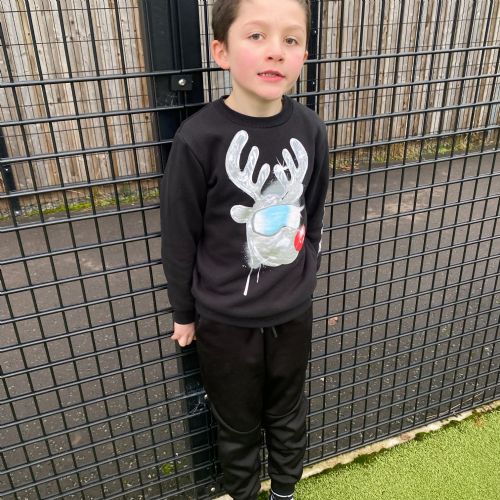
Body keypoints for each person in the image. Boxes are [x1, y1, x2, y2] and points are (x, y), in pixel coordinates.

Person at [160, 0, 329, 498]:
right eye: (256, 36)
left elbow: (313, 210)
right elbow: (179, 236)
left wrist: (305, 272)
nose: (275, 51)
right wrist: (184, 312)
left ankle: (285, 492)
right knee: (236, 423)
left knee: (287, 412)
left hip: (292, 314)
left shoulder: (311, 130)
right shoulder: (198, 138)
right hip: (224, 323)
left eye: (291, 39)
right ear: (222, 51)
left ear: (302, 55)